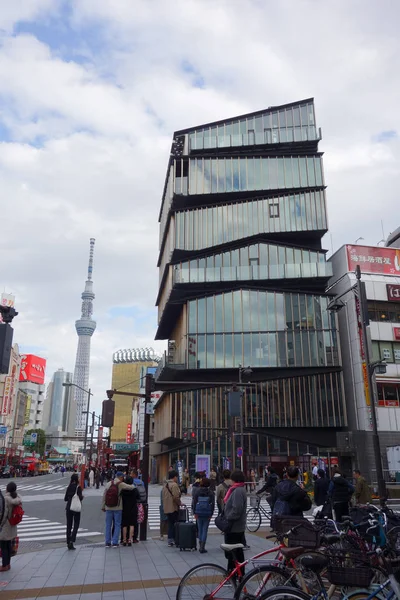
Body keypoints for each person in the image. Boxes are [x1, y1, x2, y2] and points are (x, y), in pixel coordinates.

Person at [102, 471, 135, 547]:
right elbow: (130, 487)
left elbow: (104, 495)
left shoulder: (109, 483)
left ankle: (107, 542)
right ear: (121, 477)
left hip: (108, 507)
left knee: (108, 525)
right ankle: (115, 542)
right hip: (117, 507)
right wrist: (134, 484)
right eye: (122, 477)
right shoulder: (120, 484)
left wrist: (103, 506)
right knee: (117, 524)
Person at [223, 470, 247, 573]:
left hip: (234, 526)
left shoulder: (237, 491)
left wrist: (228, 516)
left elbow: (237, 509)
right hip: (237, 526)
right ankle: (237, 573)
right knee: (237, 552)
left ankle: (234, 573)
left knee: (234, 552)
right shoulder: (238, 489)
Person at [0, 482, 22, 571]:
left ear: (7, 489)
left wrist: (1, 524)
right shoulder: (17, 498)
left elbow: (4, 513)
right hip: (13, 524)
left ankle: (4, 565)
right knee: (8, 544)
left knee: (3, 545)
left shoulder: (6, 498)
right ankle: (8, 564)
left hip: (6, 524)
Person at [192, 477, 215, 553]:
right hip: (207, 512)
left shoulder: (197, 491)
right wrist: (211, 513)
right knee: (205, 529)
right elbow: (212, 504)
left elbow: (194, 502)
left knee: (200, 529)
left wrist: (194, 512)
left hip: (198, 512)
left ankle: (200, 544)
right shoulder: (210, 492)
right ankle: (202, 547)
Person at [161, 470, 182, 547]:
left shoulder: (165, 485)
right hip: (173, 508)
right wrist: (180, 503)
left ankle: (170, 540)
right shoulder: (174, 485)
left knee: (170, 524)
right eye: (177, 477)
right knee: (175, 523)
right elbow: (176, 497)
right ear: (175, 477)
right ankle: (176, 539)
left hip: (166, 507)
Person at [64, 473, 83, 550]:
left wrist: (70, 497)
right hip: (76, 508)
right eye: (78, 478)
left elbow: (65, 498)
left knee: (69, 525)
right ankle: (72, 540)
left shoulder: (69, 487)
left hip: (69, 508)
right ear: (76, 479)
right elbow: (80, 498)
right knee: (76, 524)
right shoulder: (78, 488)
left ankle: (68, 541)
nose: (79, 479)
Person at [121, 476, 140, 546]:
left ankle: (124, 540)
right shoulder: (134, 489)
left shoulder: (123, 490)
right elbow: (138, 497)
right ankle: (129, 540)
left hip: (124, 508)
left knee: (124, 525)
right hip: (133, 508)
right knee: (132, 524)